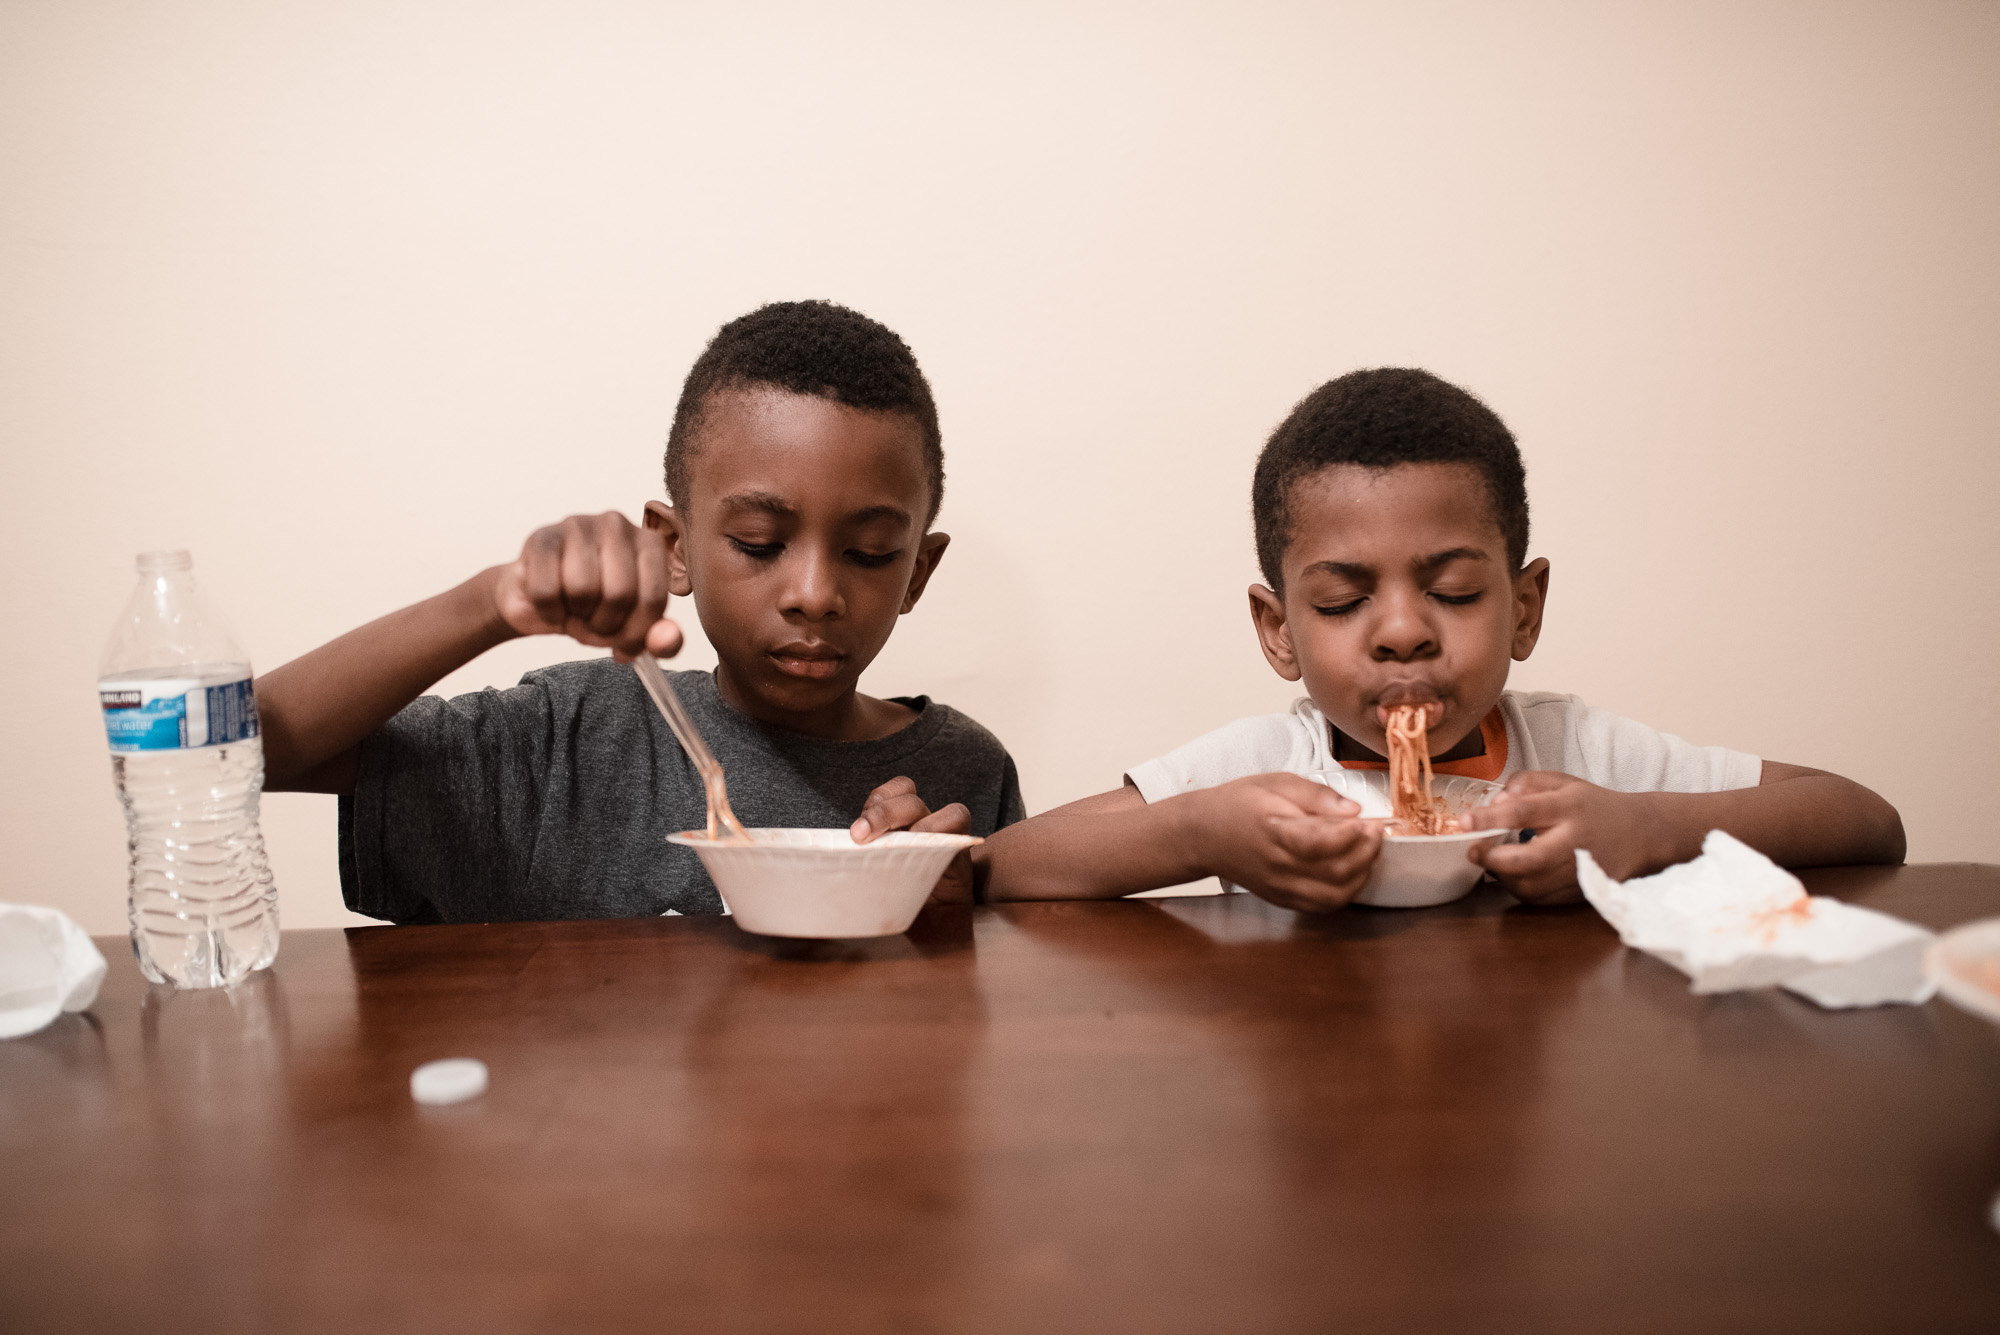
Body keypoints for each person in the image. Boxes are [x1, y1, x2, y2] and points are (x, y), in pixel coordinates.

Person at [977, 368, 1903, 909]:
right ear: (1279, 631)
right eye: (1342, 603)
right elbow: (1007, 864)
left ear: (1526, 607)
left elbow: (1866, 819)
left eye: (1454, 591)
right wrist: (1198, 834)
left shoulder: (1578, 755)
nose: (1404, 633)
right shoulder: (1268, 766)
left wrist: (1649, 829)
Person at [258, 300, 1023, 923]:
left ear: (918, 571)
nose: (815, 592)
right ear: (673, 547)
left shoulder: (965, 772)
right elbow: (237, 745)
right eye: (759, 543)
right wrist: (491, 602)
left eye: (870, 553)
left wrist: (957, 907)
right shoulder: (574, 740)